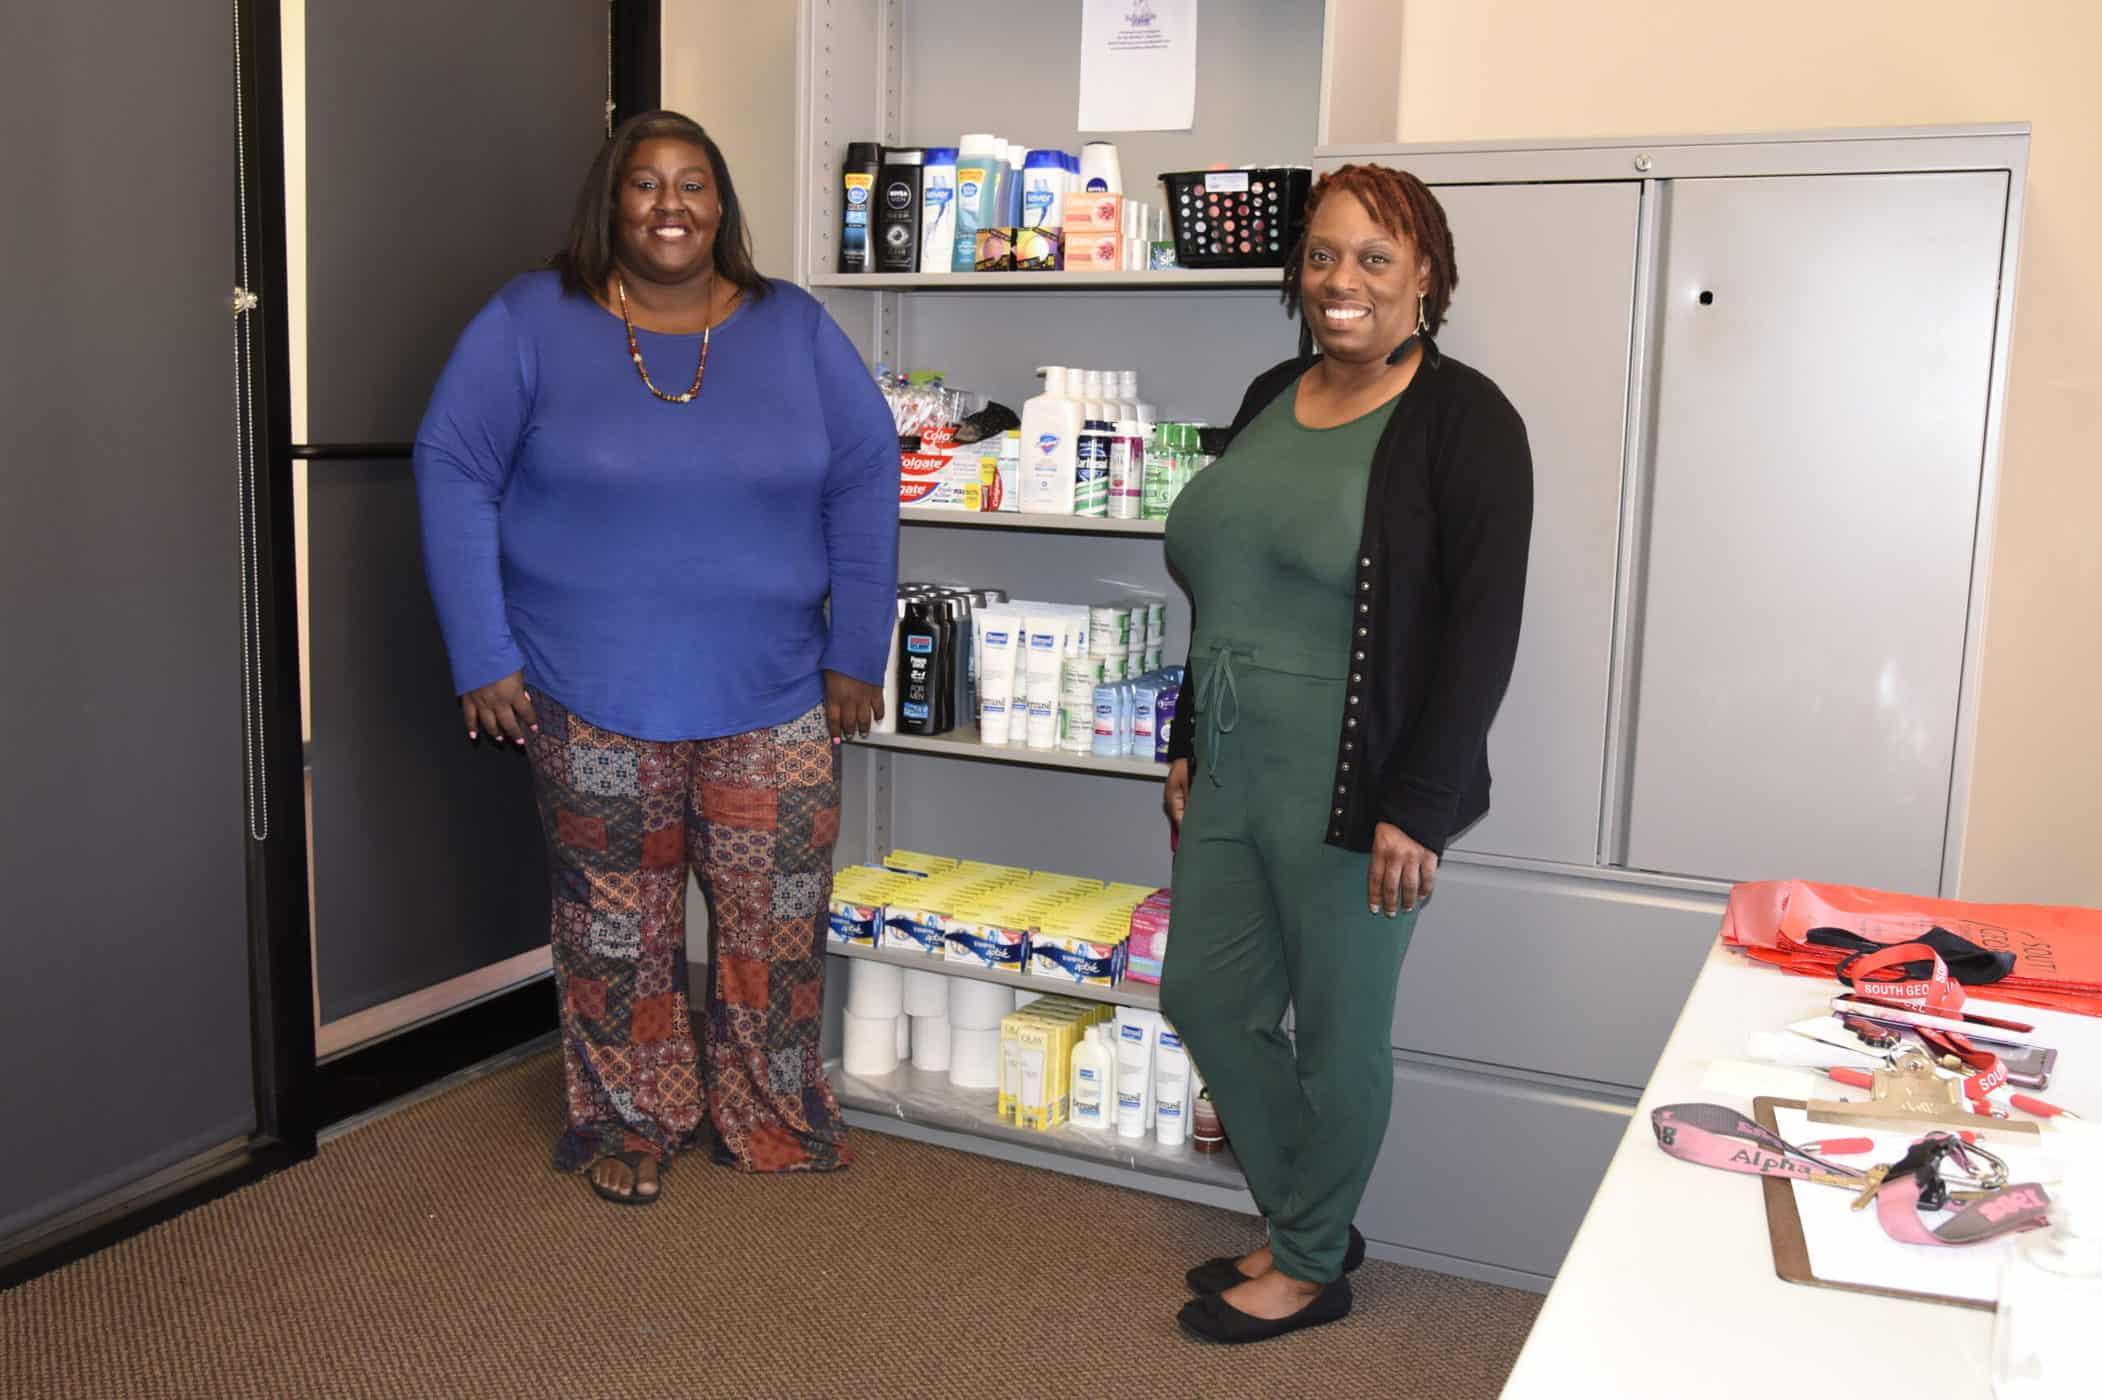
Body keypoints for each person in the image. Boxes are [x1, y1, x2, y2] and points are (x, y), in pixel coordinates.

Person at [414, 111, 899, 1206]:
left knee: (773, 927)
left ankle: (771, 1115)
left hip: (773, 691)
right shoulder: (529, 321)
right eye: (645, 185)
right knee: (615, 929)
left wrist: (855, 646)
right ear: (610, 202)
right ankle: (630, 1119)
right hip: (588, 691)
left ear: (721, 205)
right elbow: (451, 466)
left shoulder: (794, 329)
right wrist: (479, 649)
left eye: (693, 184)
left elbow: (866, 473)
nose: (669, 205)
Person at [1158, 164, 1533, 1342]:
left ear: (1425, 272)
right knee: (1205, 998)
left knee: (1336, 1027)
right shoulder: (1272, 388)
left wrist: (1415, 805)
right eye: (1322, 254)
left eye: (1375, 256)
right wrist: (1181, 735)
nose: (1342, 280)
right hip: (1227, 763)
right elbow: (1228, 583)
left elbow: (1481, 629)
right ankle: (1309, 1210)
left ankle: (1308, 1260)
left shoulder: (1465, 419)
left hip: (1357, 783)